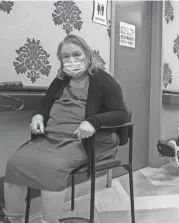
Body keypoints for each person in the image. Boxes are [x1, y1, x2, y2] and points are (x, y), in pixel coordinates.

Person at [1, 34, 128, 223]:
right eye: (65, 57)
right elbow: (45, 105)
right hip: (52, 137)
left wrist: (94, 121)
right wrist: (37, 116)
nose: (71, 61)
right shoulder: (60, 80)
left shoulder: (104, 81)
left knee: (51, 168)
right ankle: (13, 219)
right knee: (14, 163)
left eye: (76, 54)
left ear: (87, 54)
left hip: (88, 139)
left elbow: (121, 113)